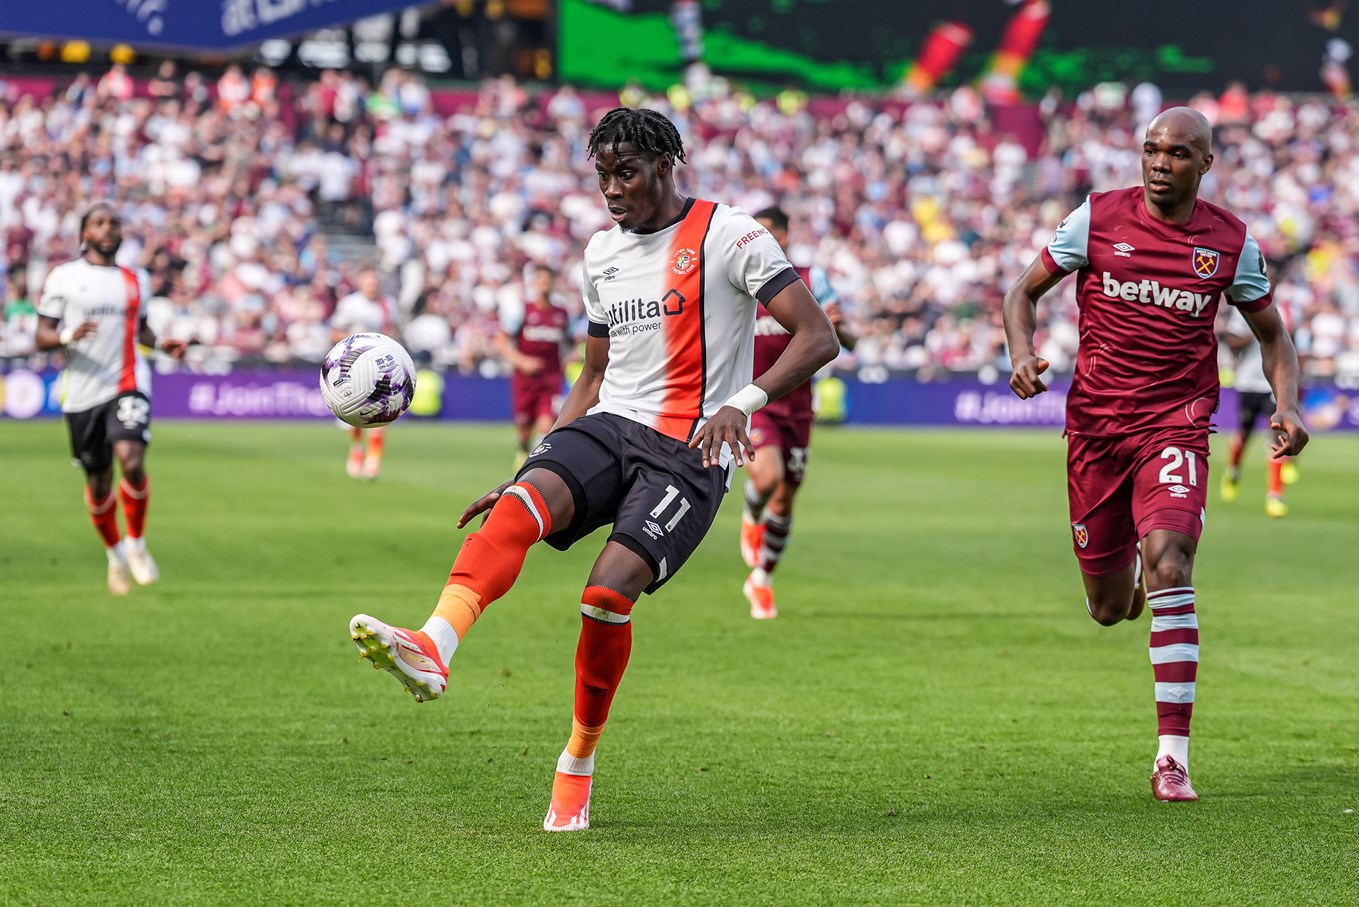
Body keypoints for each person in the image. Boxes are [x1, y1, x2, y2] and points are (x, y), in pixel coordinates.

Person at [348, 107, 839, 831]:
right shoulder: (599, 254)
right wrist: (531, 462)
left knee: (606, 593)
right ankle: (432, 645)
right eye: (603, 175)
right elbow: (593, 371)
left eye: (627, 173)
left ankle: (576, 760)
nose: (611, 190)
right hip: (610, 421)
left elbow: (817, 336)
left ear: (667, 167)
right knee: (517, 508)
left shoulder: (729, 234)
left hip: (690, 449)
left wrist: (744, 400)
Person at [1002, 107, 1308, 802]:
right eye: (1150, 149)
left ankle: (1171, 756)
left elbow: (1271, 334)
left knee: (1171, 560)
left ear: (1205, 164)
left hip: (1176, 423)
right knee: (1108, 608)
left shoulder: (1230, 244)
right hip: (1095, 433)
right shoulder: (1096, 218)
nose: (1159, 163)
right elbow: (1021, 292)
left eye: (1176, 153)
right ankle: (1128, 583)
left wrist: (1285, 404)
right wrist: (1020, 353)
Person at [34, 202, 188, 594]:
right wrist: (68, 336)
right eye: (99, 223)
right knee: (99, 482)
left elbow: (143, 330)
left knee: (131, 460)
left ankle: (136, 544)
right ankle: (115, 555)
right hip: (83, 393)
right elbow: (42, 335)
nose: (108, 229)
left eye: (114, 223)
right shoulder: (64, 277)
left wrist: (163, 345)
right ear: (85, 233)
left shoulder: (137, 279)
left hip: (128, 380)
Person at [738, 206, 857, 619]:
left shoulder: (810, 279)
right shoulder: (741, 279)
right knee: (767, 478)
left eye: (767, 233)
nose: (758, 239)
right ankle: (751, 511)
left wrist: (838, 325)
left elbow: (848, 340)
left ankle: (762, 579)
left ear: (784, 237)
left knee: (787, 499)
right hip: (757, 398)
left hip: (799, 404)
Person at [1218, 306, 1299, 517]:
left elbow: (1289, 345)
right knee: (1244, 435)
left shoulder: (1284, 309)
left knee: (1275, 435)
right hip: (1247, 383)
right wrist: (1257, 331)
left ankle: (1275, 495)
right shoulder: (1242, 310)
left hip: (1270, 384)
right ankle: (1233, 472)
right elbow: (1232, 344)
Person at [493, 264, 573, 468]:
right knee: (523, 424)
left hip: (551, 378)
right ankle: (522, 450)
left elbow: (571, 343)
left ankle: (537, 463)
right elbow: (500, 342)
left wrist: (570, 358)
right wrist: (522, 361)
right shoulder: (522, 311)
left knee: (546, 422)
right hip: (524, 379)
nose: (545, 284)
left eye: (548, 280)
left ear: (554, 283)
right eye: (541, 280)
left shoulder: (561, 314)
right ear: (534, 283)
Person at [330, 266, 398, 479]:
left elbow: (392, 331)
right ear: (361, 283)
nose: (373, 286)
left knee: (382, 410)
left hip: (381, 368)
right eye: (369, 282)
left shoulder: (388, 305)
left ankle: (373, 459)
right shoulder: (350, 305)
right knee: (354, 410)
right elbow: (334, 332)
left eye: (376, 283)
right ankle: (357, 448)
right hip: (353, 366)